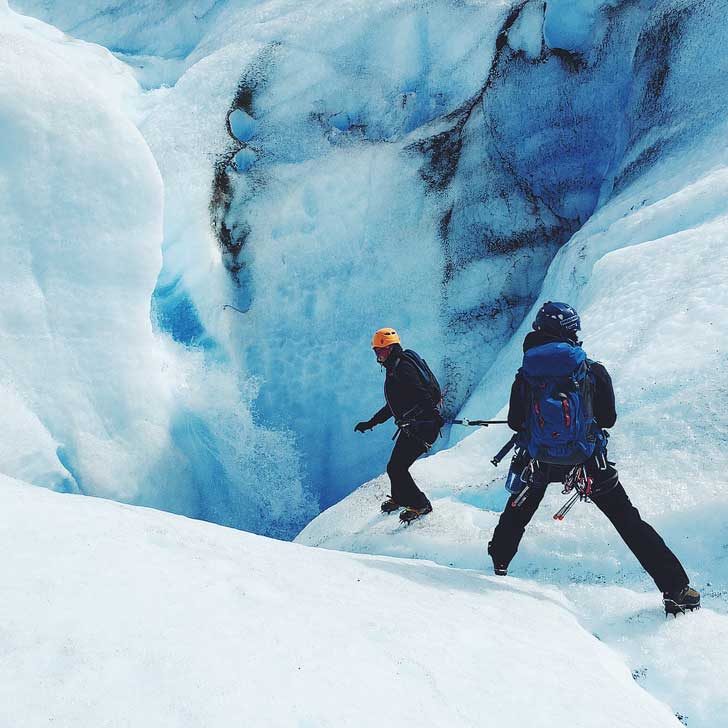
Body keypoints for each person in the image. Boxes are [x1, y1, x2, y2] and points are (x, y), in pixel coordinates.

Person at [488, 302, 700, 616]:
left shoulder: (526, 373)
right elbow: (608, 418)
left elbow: (516, 422)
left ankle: (498, 564)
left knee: (518, 511)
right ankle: (676, 589)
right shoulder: (591, 370)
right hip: (587, 464)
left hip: (540, 462)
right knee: (629, 521)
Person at [355, 328, 443, 524]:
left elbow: (421, 394)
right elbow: (392, 406)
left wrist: (435, 416)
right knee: (395, 467)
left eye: (380, 351)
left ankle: (421, 504)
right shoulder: (395, 367)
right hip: (414, 426)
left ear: (390, 348)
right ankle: (401, 498)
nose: (378, 355)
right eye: (376, 351)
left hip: (423, 427)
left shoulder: (402, 369)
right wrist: (371, 423)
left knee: (397, 468)